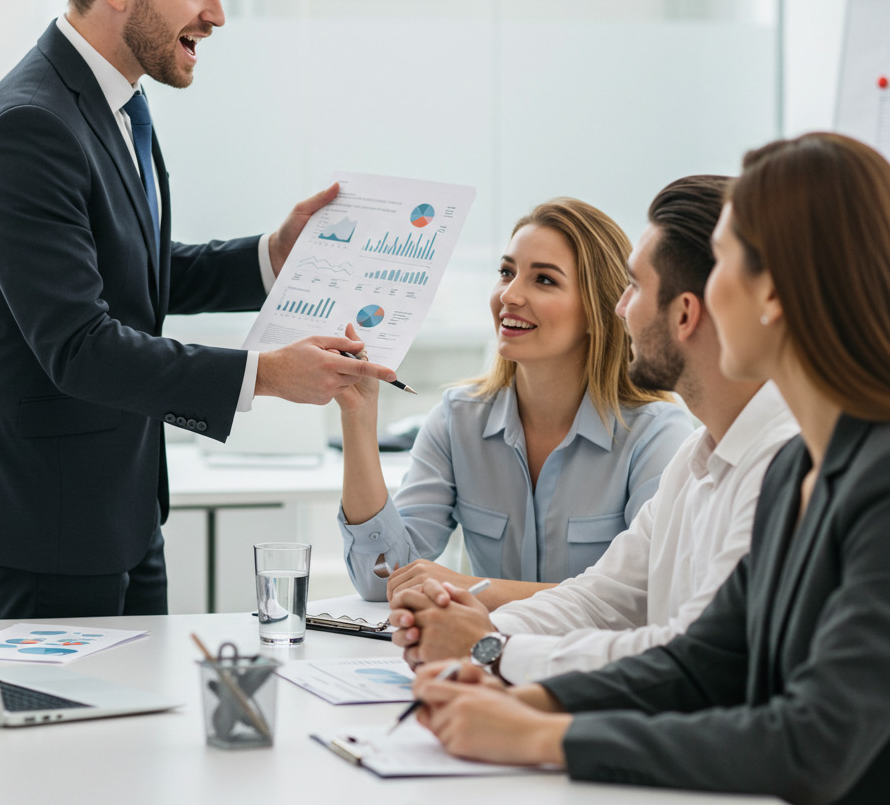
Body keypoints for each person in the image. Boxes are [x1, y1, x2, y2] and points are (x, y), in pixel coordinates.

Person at [0, 0, 396, 621]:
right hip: (48, 518)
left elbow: (136, 274)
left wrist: (269, 257)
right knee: (66, 735)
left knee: (138, 724)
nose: (216, 15)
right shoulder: (27, 128)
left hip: (119, 505)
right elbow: (79, 345)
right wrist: (268, 375)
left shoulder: (115, 101)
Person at [414, 132, 890, 805]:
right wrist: (535, 696)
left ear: (773, 295)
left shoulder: (871, 481)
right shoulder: (802, 471)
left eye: (721, 262)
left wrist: (541, 734)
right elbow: (704, 663)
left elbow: (813, 742)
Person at [388, 175, 799, 674]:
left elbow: (697, 658)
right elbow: (601, 597)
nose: (619, 308)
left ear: (685, 314)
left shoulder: (780, 467)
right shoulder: (695, 461)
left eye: (633, 287)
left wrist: (493, 649)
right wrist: (480, 627)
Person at [337, 197, 694, 605]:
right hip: (479, 662)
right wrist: (358, 416)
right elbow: (380, 577)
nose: (509, 294)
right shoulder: (457, 420)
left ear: (598, 310)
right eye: (507, 272)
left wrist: (468, 589)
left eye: (544, 280)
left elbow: (650, 596)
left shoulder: (656, 435)